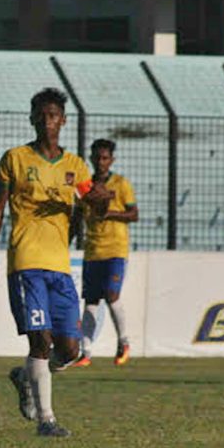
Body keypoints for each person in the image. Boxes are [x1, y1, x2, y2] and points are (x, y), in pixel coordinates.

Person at [0, 88, 109, 438]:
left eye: (53, 115)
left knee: (70, 350)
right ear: (32, 118)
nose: (47, 121)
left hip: (60, 267)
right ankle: (46, 421)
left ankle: (26, 377)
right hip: (25, 263)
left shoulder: (75, 166)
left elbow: (94, 206)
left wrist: (99, 200)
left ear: (63, 121)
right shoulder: (15, 159)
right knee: (40, 343)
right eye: (41, 114)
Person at [76, 138, 138, 366]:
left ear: (112, 160)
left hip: (115, 249)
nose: (101, 162)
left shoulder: (121, 184)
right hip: (92, 251)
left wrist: (108, 214)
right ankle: (86, 352)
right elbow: (77, 216)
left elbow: (134, 214)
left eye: (105, 158)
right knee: (91, 301)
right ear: (91, 158)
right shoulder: (84, 186)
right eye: (97, 157)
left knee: (111, 295)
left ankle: (124, 342)